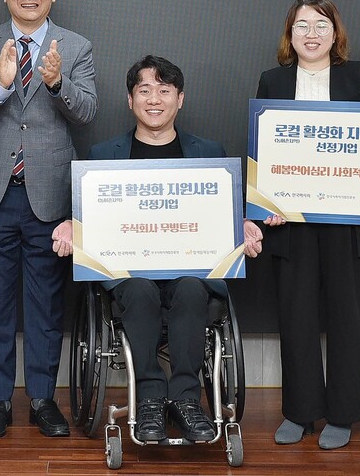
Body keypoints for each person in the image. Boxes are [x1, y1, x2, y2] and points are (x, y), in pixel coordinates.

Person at [52, 55, 263, 443]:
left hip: (191, 271)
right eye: (144, 90)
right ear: (130, 99)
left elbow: (225, 213)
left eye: (164, 91)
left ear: (179, 99)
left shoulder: (209, 152)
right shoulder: (103, 155)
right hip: (130, 274)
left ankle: (186, 400)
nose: (154, 99)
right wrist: (70, 222)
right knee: (140, 289)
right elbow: (87, 214)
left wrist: (244, 224)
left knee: (190, 289)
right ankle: (149, 397)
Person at [0, 0, 97, 439]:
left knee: (45, 305)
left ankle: (42, 399)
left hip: (49, 196)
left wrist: (57, 84)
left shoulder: (76, 46)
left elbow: (87, 111)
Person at [257, 0, 360, 450]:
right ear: (289, 34)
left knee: (349, 316)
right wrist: (265, 202)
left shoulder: (359, 75)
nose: (311, 34)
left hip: (349, 221)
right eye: (302, 26)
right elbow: (262, 149)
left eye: (321, 25)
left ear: (336, 33)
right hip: (291, 222)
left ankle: (344, 413)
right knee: (297, 315)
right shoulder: (273, 80)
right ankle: (300, 411)